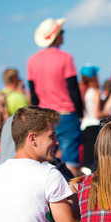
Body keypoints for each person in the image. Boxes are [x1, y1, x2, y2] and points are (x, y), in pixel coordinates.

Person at [27, 18, 83, 176]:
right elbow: (73, 90)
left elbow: (34, 96)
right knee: (71, 161)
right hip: (66, 115)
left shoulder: (32, 61)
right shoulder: (66, 58)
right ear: (57, 36)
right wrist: (80, 114)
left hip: (44, 116)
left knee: (46, 160)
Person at [79, 65, 106, 173]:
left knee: (86, 161)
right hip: (94, 127)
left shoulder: (82, 91)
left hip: (85, 127)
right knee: (95, 161)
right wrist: (109, 113)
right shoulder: (95, 91)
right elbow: (97, 114)